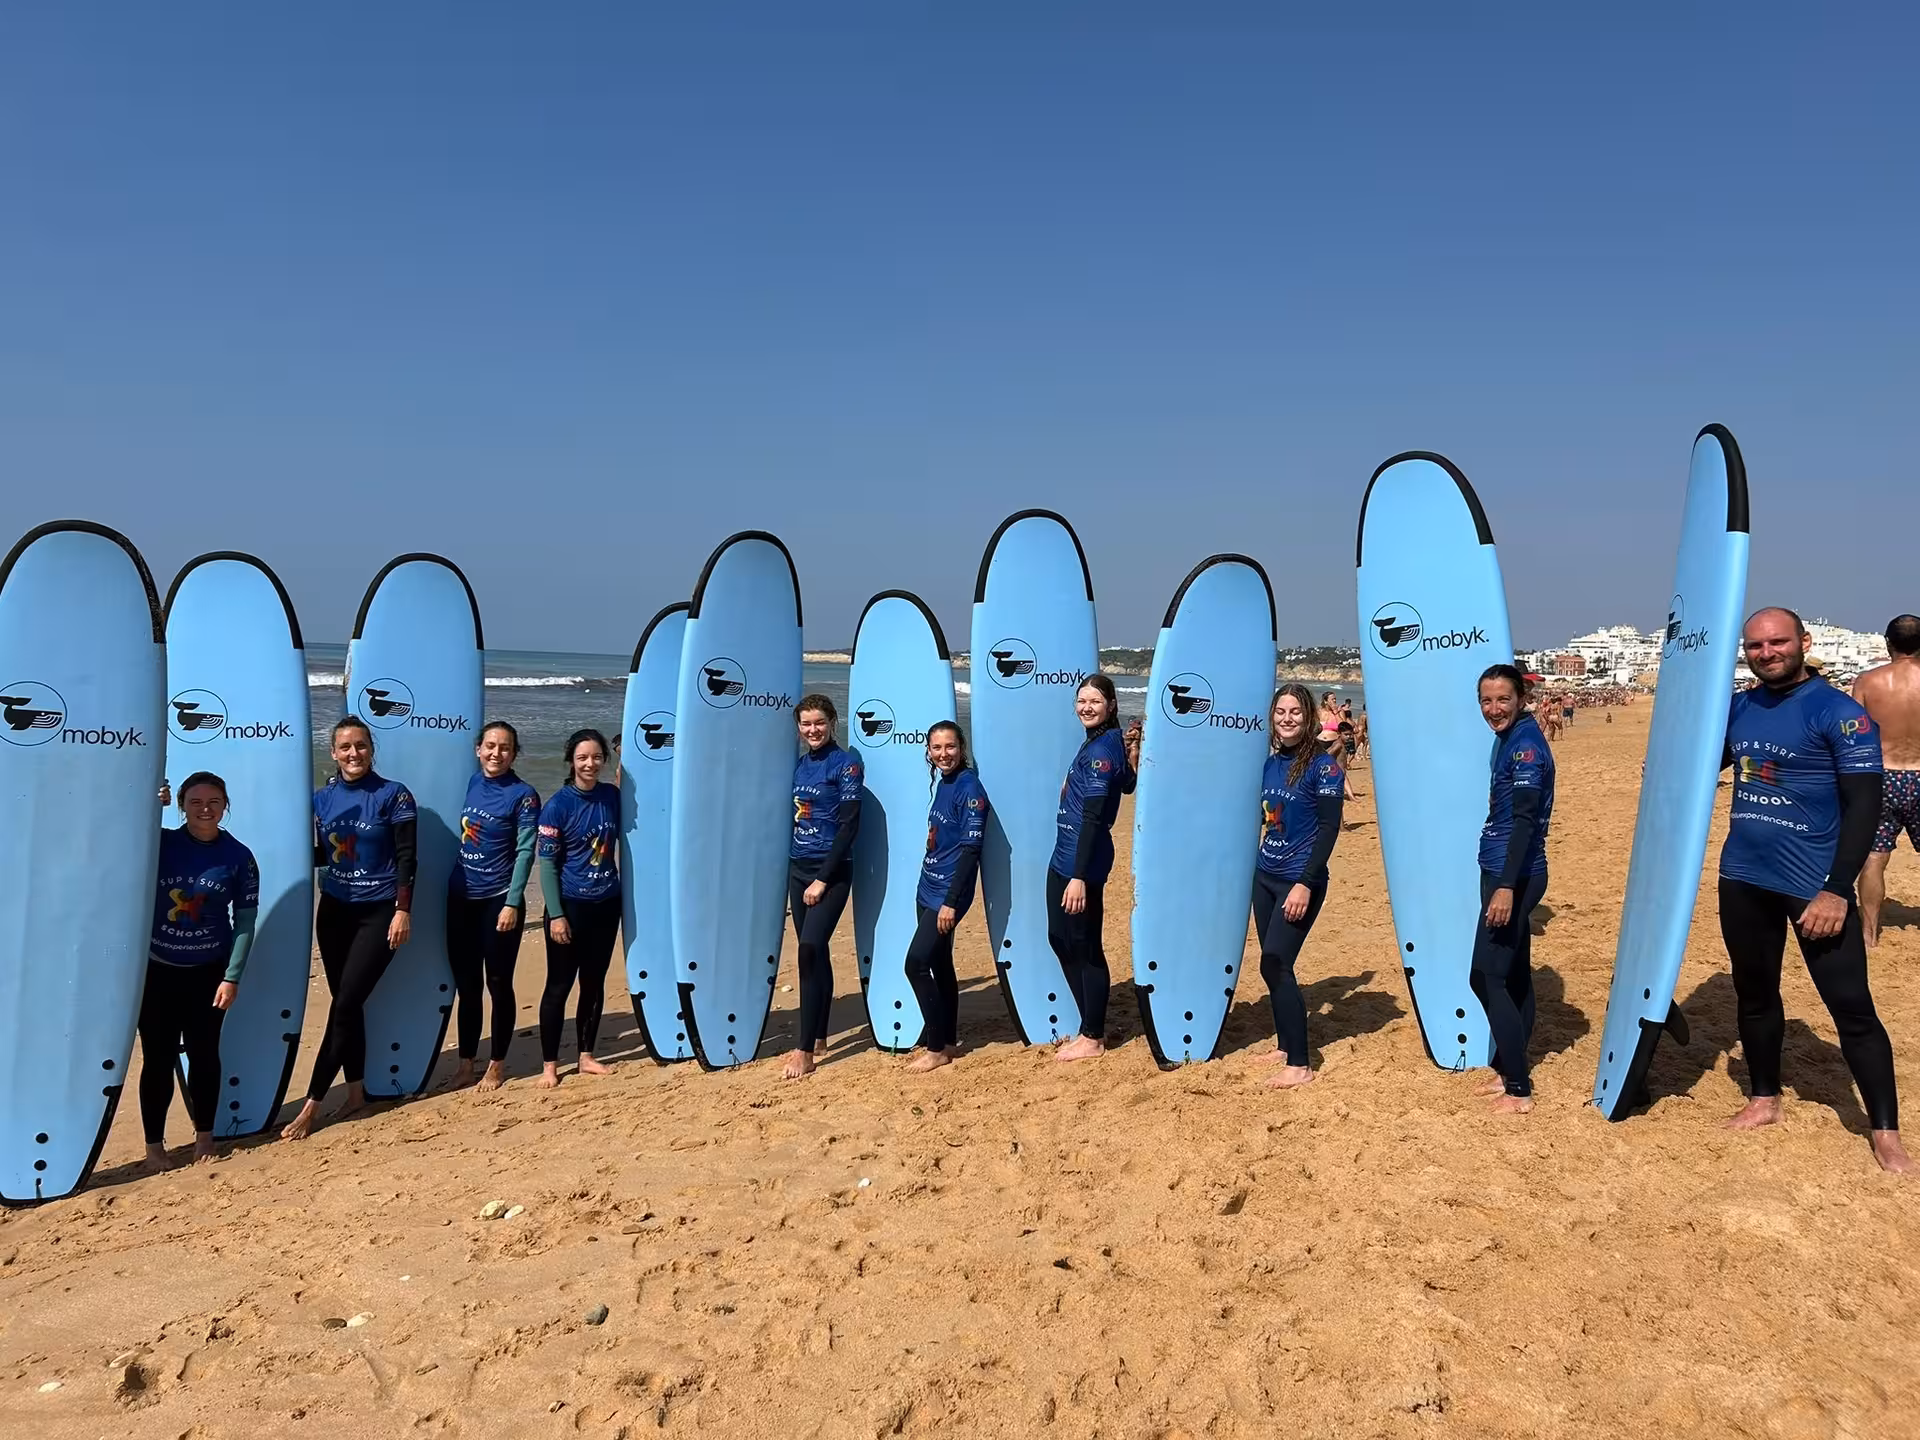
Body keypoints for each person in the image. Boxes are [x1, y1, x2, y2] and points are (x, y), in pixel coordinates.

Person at [1718, 608, 1909, 1173]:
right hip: (1743, 877)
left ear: (1804, 642)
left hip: (1812, 885)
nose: (1766, 652)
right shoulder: (1739, 707)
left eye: (1778, 641)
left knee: (1851, 1008)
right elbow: (1708, 765)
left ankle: (1885, 1131)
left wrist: (1835, 890)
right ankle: (1764, 1097)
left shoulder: (1841, 713)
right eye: (1755, 645)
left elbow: (1865, 806)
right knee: (1754, 995)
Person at [283, 717, 415, 1141]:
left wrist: (403, 910)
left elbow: (408, 857)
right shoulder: (321, 799)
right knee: (347, 1003)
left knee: (343, 1007)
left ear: (371, 749)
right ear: (333, 754)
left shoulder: (393, 795)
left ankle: (312, 1104)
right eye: (345, 747)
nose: (353, 753)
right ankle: (356, 1093)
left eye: (360, 745)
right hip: (335, 911)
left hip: (379, 914)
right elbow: (322, 853)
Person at [141, 772, 259, 1168]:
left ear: (225, 805)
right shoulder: (159, 842)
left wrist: (233, 975)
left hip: (208, 973)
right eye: (195, 802)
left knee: (205, 1055)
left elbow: (244, 921)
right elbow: (117, 838)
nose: (205, 809)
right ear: (182, 806)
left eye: (213, 801)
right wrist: (146, 805)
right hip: (157, 972)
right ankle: (154, 1148)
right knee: (156, 1058)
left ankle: (204, 1138)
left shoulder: (238, 856)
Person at [1250, 684, 1345, 1089]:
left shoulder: (1324, 767)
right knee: (1272, 965)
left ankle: (1300, 1064)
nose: (1287, 719)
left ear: (1308, 719)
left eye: (1295, 713)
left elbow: (1328, 828)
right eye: (1280, 712)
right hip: (1264, 875)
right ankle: (1286, 1044)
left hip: (1298, 881)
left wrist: (1305, 884)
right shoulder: (1268, 764)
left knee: (1275, 961)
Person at [1470, 665, 1555, 1115]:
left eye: (1503, 699)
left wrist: (1506, 887)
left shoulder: (1524, 748)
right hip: (1503, 868)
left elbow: (1524, 821)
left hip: (1514, 874)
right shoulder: (1508, 739)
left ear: (1521, 698)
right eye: (1486, 700)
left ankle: (1519, 1088)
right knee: (1515, 972)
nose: (1494, 709)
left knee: (1486, 976)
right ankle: (1508, 1067)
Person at [1048, 674, 1138, 1062]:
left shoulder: (1102, 749)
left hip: (1080, 862)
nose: (1086, 707)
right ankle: (1090, 1018)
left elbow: (1094, 816)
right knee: (1059, 938)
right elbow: (1129, 785)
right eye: (1081, 701)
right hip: (1063, 854)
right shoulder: (1103, 743)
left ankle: (1093, 1035)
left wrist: (1080, 877)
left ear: (1111, 706)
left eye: (1095, 702)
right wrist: (1133, 758)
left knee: (1085, 945)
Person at [447, 721, 540, 1091]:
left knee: (498, 984)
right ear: (478, 749)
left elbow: (524, 851)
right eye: (489, 746)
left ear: (514, 754)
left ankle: (497, 1065)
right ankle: (466, 1064)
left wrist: (512, 902)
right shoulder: (473, 782)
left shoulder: (524, 795)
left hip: (499, 901)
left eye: (504, 748)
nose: (495, 753)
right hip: (460, 898)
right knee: (467, 986)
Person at [783, 695, 864, 1079]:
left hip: (831, 872)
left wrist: (822, 879)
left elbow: (849, 826)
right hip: (797, 868)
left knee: (810, 947)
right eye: (805, 724)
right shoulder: (800, 767)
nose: (812, 730)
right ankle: (818, 1035)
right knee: (814, 955)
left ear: (832, 722)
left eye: (819, 722)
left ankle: (803, 1051)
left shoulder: (846, 763)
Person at [536, 728, 621, 1088]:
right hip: (570, 907)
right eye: (583, 757)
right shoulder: (557, 805)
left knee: (593, 982)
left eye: (597, 757)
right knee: (558, 986)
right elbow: (547, 865)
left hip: (606, 903)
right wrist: (556, 914)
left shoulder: (612, 797)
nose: (590, 763)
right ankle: (550, 1065)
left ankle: (586, 1056)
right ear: (571, 760)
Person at [903, 721, 988, 1073]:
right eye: (936, 748)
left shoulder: (970, 788)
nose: (943, 754)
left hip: (947, 894)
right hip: (928, 886)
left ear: (962, 746)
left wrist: (951, 902)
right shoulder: (944, 782)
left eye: (950, 747)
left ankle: (935, 1046)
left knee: (916, 964)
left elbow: (971, 851)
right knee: (940, 965)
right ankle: (949, 1041)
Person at [1853, 614, 1920, 948]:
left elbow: (1851, 735)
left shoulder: (1868, 681)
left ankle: (1868, 934)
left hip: (1883, 775)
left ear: (1887, 643)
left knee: (1874, 857)